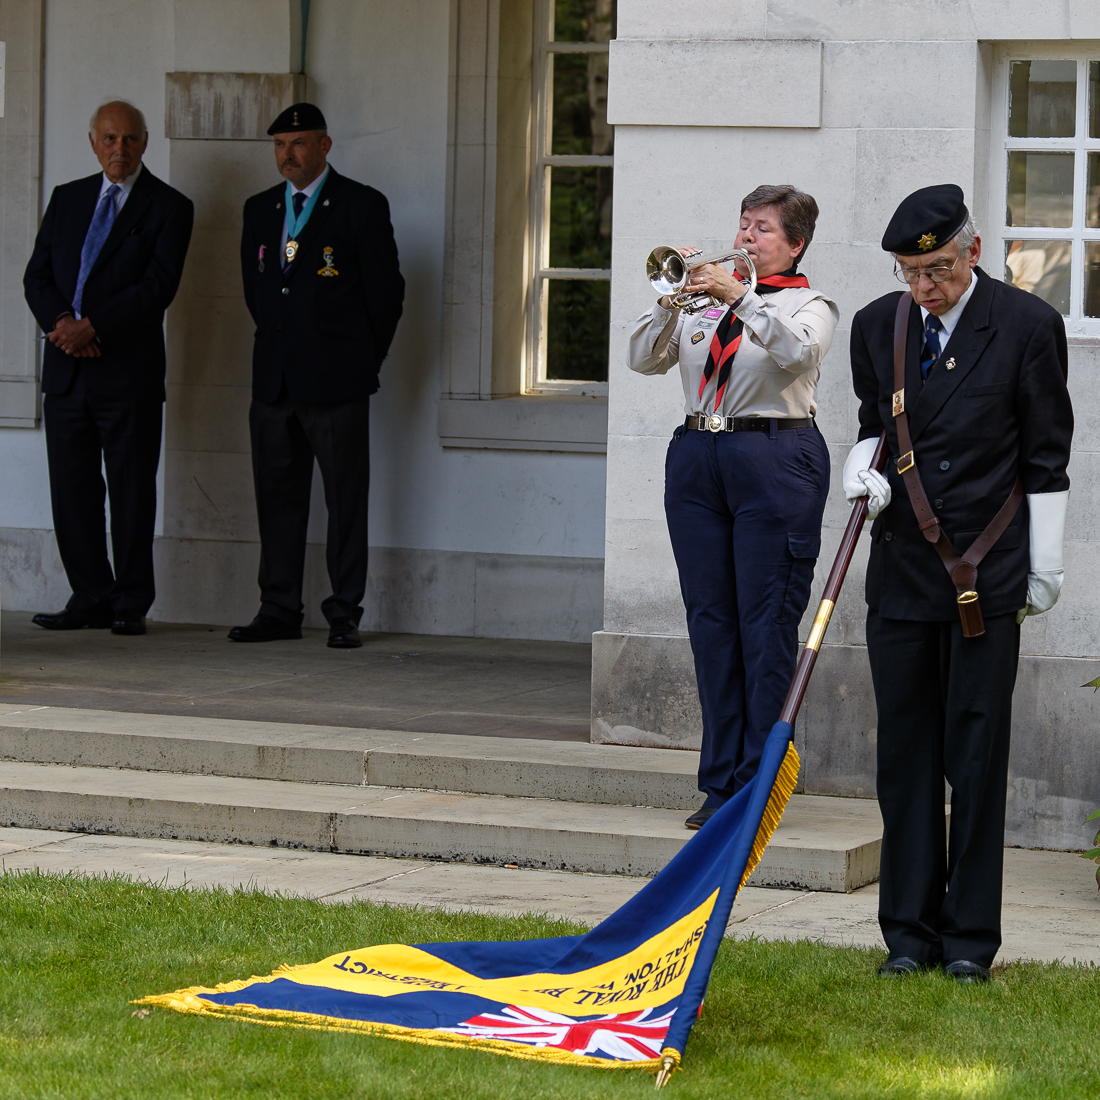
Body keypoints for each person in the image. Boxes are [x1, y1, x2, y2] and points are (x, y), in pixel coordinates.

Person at [844, 184, 1073, 982]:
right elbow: (877, 420)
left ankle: (970, 941)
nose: (924, 288)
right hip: (904, 570)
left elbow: (1047, 454)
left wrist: (1046, 563)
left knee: (975, 758)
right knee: (905, 758)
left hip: (986, 571)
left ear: (973, 251)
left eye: (937, 269)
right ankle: (908, 935)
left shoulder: (1027, 326)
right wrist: (860, 465)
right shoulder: (880, 325)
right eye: (911, 272)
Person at [628, 184, 838, 830]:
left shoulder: (811, 305)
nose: (745, 239)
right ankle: (720, 783)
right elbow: (642, 360)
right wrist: (674, 301)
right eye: (744, 226)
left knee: (765, 622)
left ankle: (759, 783)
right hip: (698, 455)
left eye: (763, 229)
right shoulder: (703, 303)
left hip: (775, 457)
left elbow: (796, 353)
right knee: (711, 621)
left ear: (796, 243)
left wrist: (739, 297)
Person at [230, 103, 404, 648]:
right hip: (275, 382)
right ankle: (278, 607)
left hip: (337, 382)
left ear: (324, 146)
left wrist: (360, 360)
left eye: (299, 142)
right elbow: (257, 291)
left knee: (344, 500)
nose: (288, 154)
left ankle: (344, 611)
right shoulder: (259, 208)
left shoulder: (360, 205)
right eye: (280, 144)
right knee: (277, 498)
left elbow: (385, 295)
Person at [23, 100, 194, 636]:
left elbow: (156, 288)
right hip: (68, 372)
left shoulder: (170, 206)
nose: (119, 149)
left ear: (145, 143)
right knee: (72, 490)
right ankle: (90, 595)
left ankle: (129, 602)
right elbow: (37, 275)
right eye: (109, 139)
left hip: (128, 376)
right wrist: (62, 323)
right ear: (93, 142)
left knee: (131, 491)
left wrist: (92, 326)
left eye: (130, 139)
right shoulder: (67, 198)